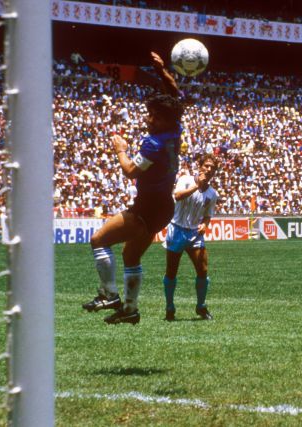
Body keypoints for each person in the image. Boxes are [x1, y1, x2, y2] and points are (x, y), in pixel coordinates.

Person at [82, 51, 184, 325]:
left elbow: (130, 172)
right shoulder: (176, 127)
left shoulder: (154, 143)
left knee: (98, 240)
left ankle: (110, 295)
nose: (147, 118)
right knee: (130, 254)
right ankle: (130, 310)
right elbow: (175, 94)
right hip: (164, 206)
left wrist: (121, 150)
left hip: (148, 207)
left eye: (152, 116)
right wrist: (163, 71)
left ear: (162, 119)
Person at [162, 154, 220, 321]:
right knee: (171, 271)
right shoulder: (186, 179)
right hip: (177, 230)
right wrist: (197, 185)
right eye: (207, 166)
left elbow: (208, 215)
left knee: (203, 270)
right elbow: (178, 196)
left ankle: (201, 306)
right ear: (200, 166)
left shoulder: (212, 194)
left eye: (212, 168)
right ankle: (170, 307)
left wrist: (205, 224)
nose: (209, 170)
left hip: (195, 233)